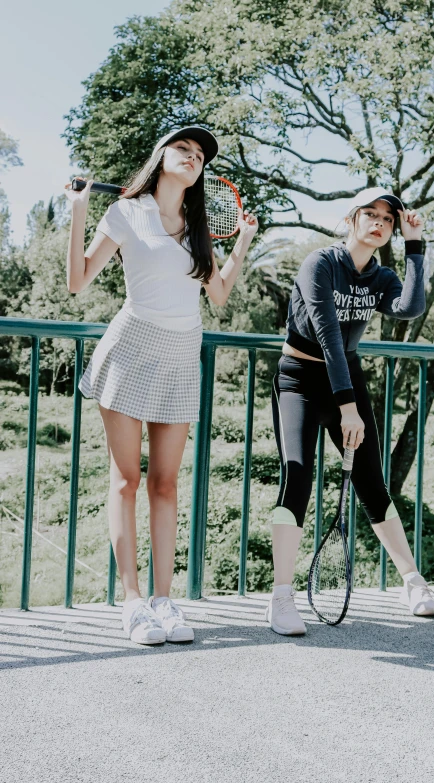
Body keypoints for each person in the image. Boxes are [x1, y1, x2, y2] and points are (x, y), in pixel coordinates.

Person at [65, 127, 258, 645]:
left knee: (166, 484)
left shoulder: (198, 227)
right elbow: (78, 281)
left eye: (200, 156)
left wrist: (241, 243)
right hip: (129, 351)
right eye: (184, 150)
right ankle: (132, 603)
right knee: (127, 480)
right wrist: (80, 210)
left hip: (179, 356)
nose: (193, 159)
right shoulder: (127, 212)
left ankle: (164, 600)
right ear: (162, 157)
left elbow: (217, 294)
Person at [267, 187, 434, 636]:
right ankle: (281, 598)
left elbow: (410, 307)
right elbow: (326, 336)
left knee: (371, 481)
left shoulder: (379, 277)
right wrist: (349, 409)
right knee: (298, 476)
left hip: (347, 380)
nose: (379, 222)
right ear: (351, 218)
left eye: (388, 218)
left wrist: (415, 246)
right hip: (301, 381)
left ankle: (413, 581)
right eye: (370, 213)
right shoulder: (320, 264)